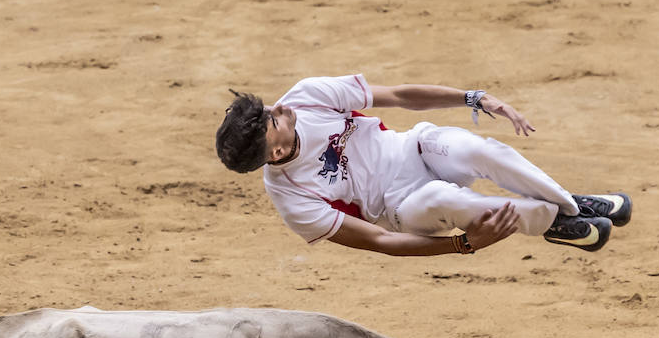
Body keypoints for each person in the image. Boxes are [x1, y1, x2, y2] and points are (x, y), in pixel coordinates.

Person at [214, 74, 630, 257]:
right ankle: (554, 219)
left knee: (477, 150)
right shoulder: (291, 196)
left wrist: (473, 98)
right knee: (443, 198)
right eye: (272, 119)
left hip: (411, 147)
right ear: (276, 154)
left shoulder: (305, 95)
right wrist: (462, 245)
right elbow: (378, 241)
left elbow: (398, 96)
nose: (280, 106)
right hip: (401, 205)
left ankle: (569, 211)